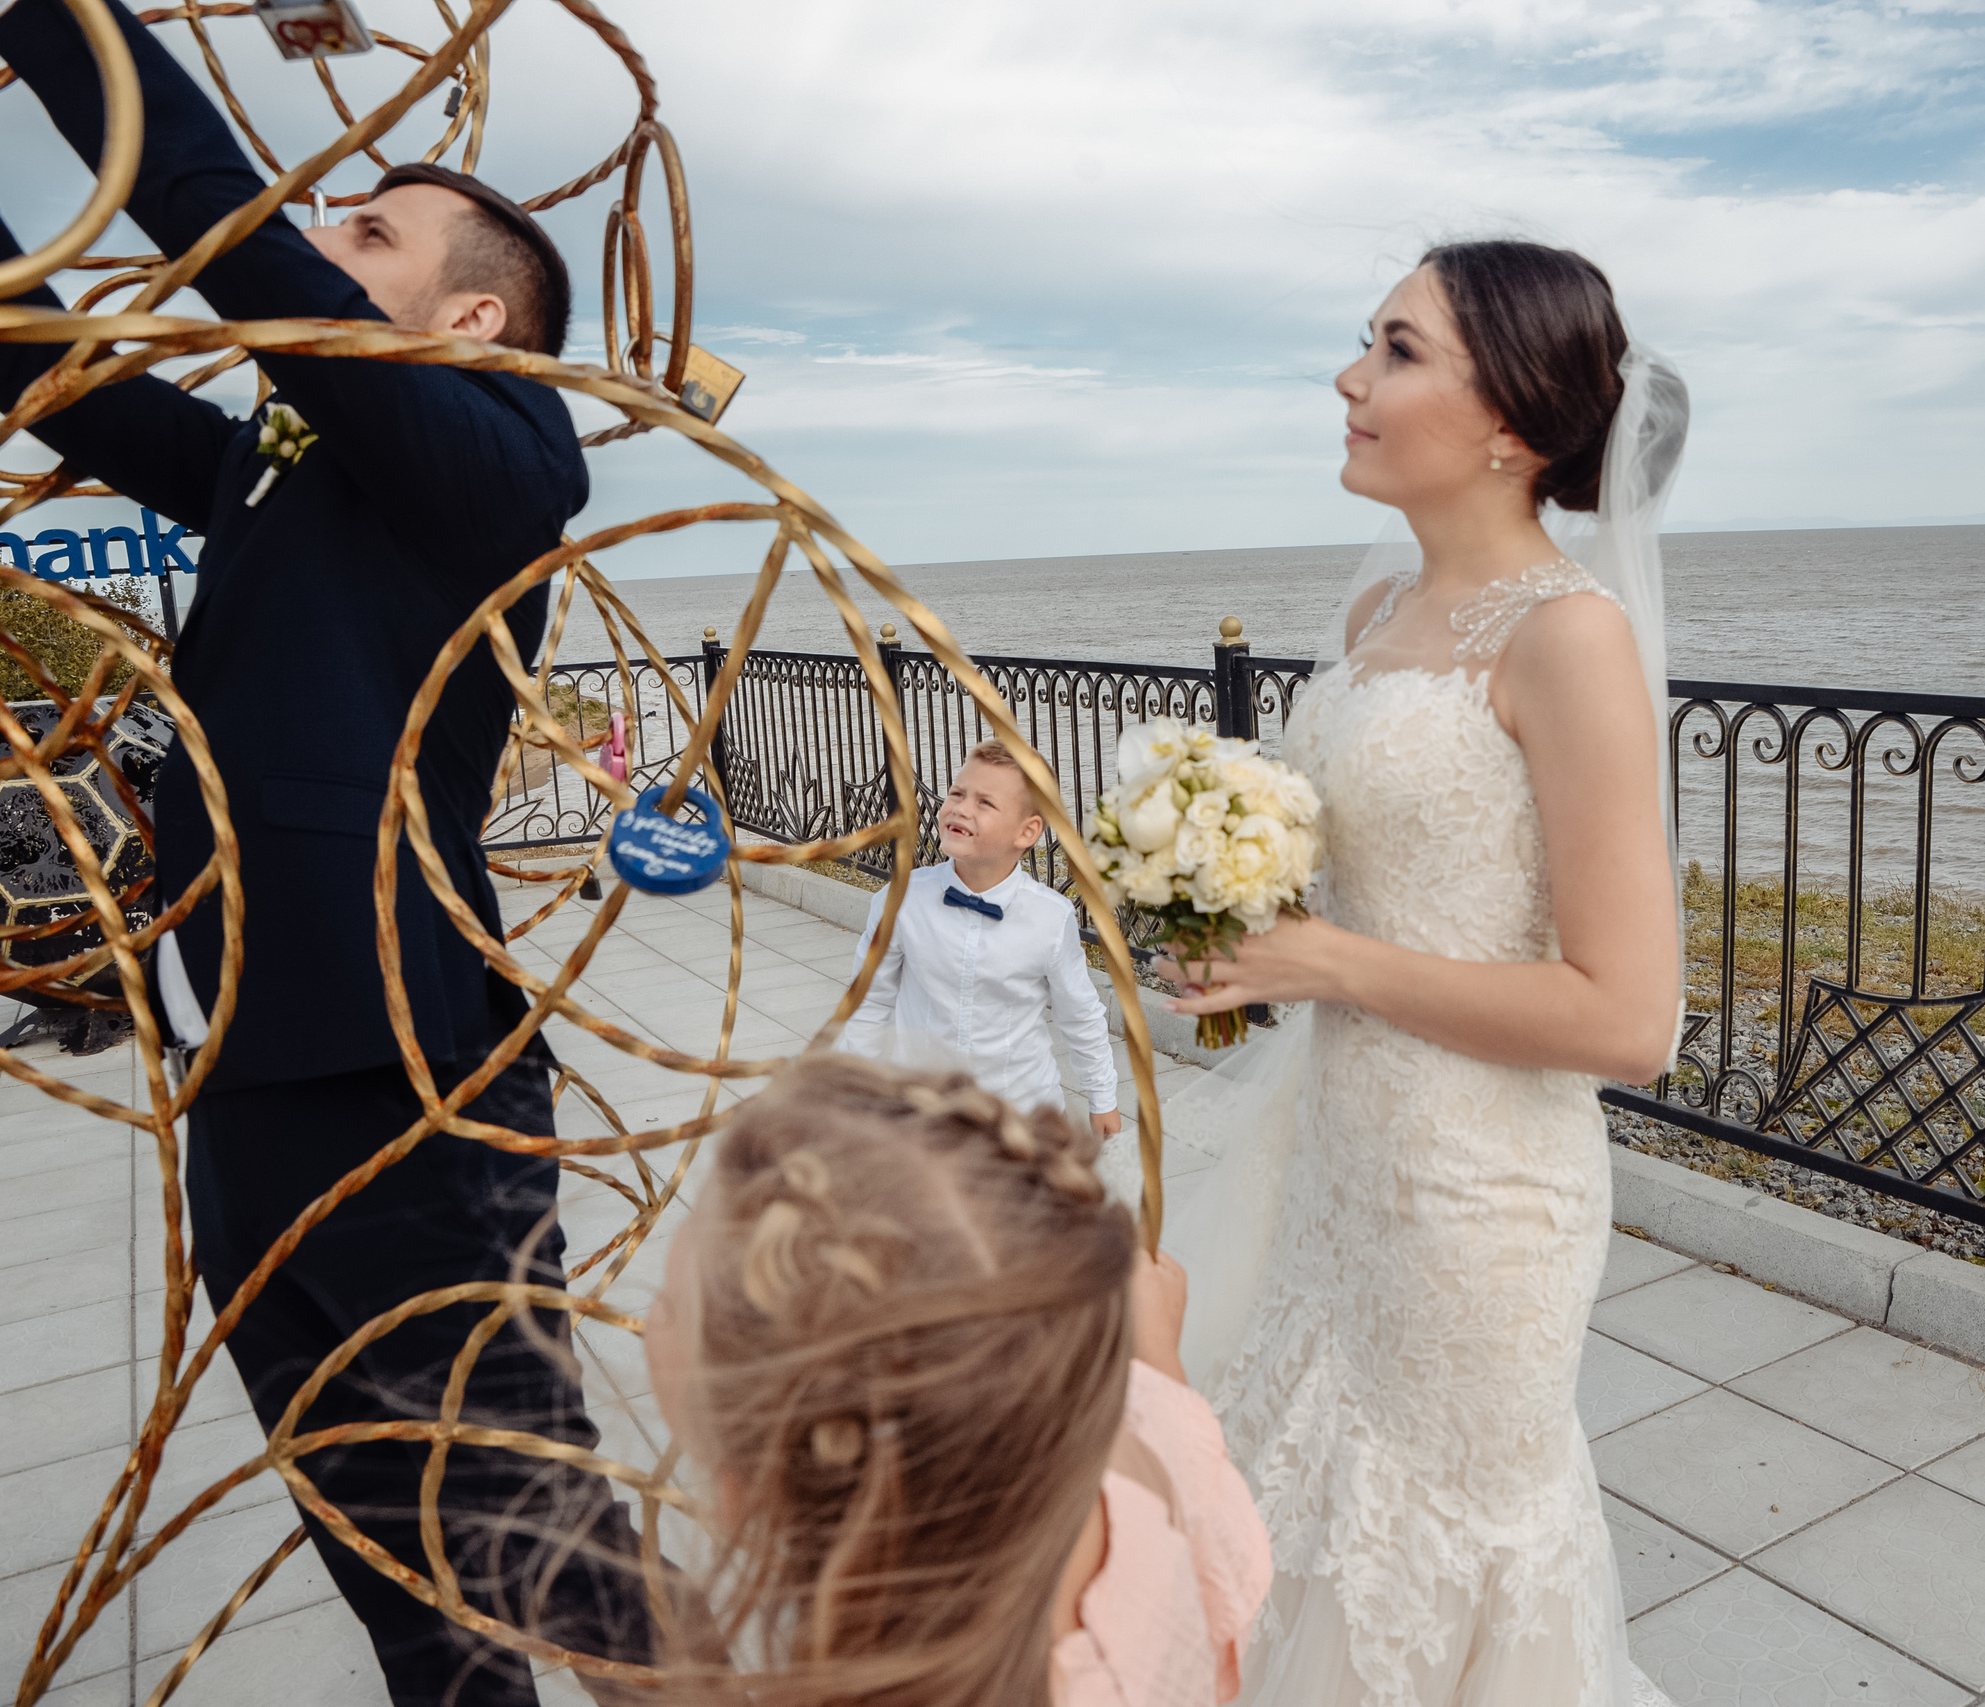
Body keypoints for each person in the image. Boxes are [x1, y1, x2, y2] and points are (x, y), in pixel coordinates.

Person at [0, 3, 658, 1700]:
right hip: (247, 1050)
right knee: (371, 1533)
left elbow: (225, 224)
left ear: (471, 313)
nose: (327, 238)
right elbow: (31, 358)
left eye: (369, 234)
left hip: (408, 1066)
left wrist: (64, 27)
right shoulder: (286, 471)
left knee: (527, 1529)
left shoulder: (507, 465)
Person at [1153, 240, 1691, 1705]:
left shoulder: (1572, 640)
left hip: (1480, 1203)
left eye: (1396, 349)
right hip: (1339, 1157)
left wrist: (1332, 957)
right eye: (1366, 342)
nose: (1350, 377)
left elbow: (1630, 1014)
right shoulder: (1372, 617)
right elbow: (1378, 872)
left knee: (1431, 1545)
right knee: (1300, 1502)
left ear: (1512, 422)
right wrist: (1229, 895)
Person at [642, 1050, 1272, 1707]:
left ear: (745, 1501)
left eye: (669, 1305)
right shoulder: (1141, 1469)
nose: (653, 1310)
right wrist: (1155, 1356)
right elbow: (1209, 1515)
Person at [838, 739, 1124, 1137]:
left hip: (1021, 1111)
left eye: (985, 803)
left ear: (1027, 831)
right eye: (956, 793)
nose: (960, 808)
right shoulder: (900, 900)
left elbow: (1080, 1014)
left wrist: (1102, 1096)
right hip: (924, 1112)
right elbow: (869, 1000)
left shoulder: (1050, 918)